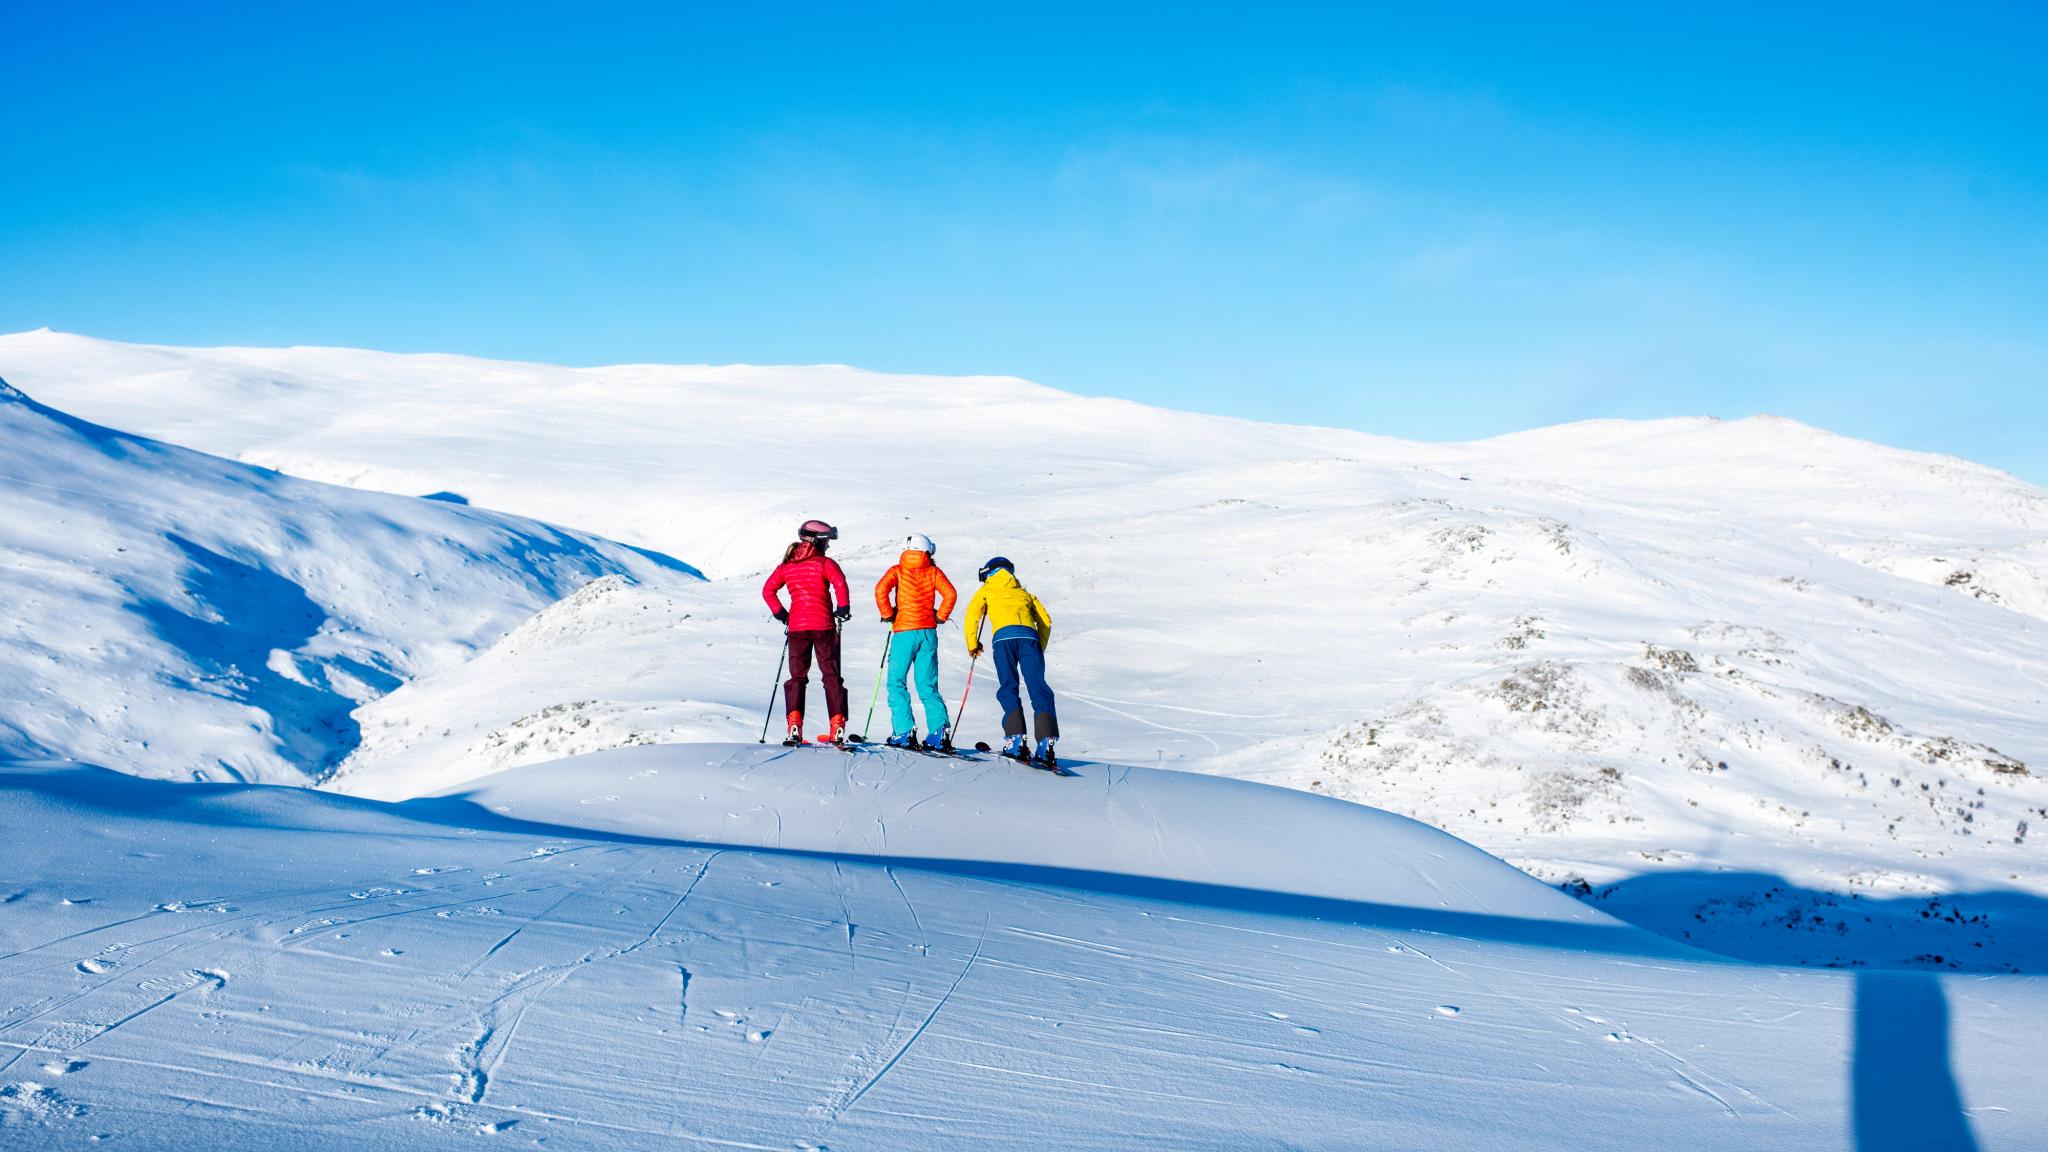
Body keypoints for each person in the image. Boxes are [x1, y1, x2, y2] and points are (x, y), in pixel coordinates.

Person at [761, 519, 852, 744]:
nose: (829, 545)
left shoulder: (786, 567)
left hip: (797, 629)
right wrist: (843, 608)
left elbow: (768, 590)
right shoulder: (825, 564)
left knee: (797, 678)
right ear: (818, 541)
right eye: (827, 541)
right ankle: (837, 727)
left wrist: (782, 614)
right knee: (831, 676)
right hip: (824, 627)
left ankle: (794, 727)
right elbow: (839, 582)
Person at [961, 556, 1058, 763]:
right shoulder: (1024, 593)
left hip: (1003, 639)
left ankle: (1015, 738)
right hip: (1029, 638)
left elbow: (972, 616)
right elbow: (1046, 622)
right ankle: (1045, 742)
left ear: (989, 572)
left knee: (1009, 686)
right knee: (1038, 687)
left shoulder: (986, 590)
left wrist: (972, 644)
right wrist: (1038, 648)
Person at [873, 533, 959, 749]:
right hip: (928, 632)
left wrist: (887, 614)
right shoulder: (933, 571)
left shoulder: (897, 570)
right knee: (927, 685)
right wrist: (940, 617)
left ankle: (904, 731)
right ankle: (939, 732)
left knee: (896, 681)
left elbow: (880, 589)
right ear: (928, 551)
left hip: (904, 632)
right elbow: (950, 594)